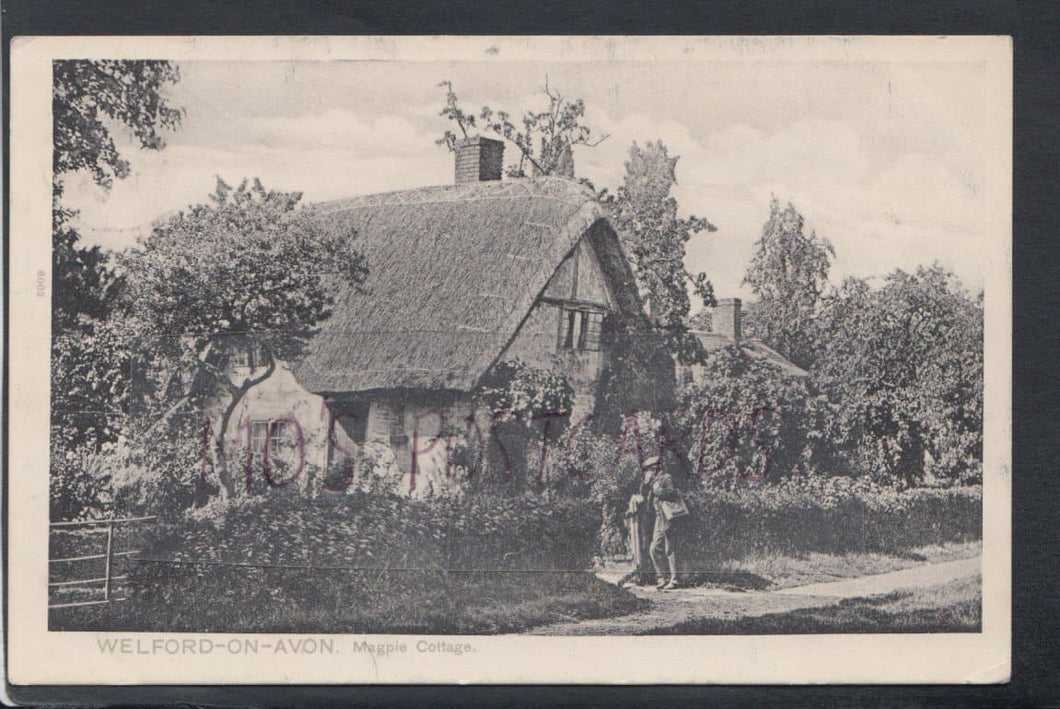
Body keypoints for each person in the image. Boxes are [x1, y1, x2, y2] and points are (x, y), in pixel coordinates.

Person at [641, 455, 684, 590]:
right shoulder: (652, 482)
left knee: (669, 549)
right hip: (659, 519)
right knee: (653, 548)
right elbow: (644, 495)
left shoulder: (666, 478)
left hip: (668, 517)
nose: (647, 473)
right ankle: (661, 578)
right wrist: (646, 485)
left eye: (649, 470)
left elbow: (673, 494)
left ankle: (674, 579)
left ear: (655, 469)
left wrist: (658, 490)